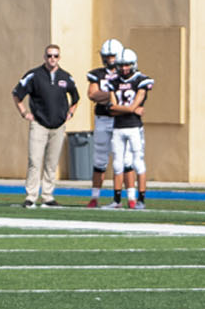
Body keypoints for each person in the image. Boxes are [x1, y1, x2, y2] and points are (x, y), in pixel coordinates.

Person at [13, 44, 78, 208]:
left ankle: (48, 196)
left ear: (59, 58)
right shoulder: (34, 75)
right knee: (34, 161)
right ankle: (31, 196)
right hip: (39, 124)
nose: (52, 59)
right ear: (44, 57)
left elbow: (75, 98)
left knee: (52, 162)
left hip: (58, 125)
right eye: (49, 56)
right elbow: (17, 93)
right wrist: (24, 113)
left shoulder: (66, 77)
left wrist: (70, 113)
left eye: (55, 56)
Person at [107, 49, 152, 209]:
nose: (124, 68)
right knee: (118, 164)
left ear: (134, 64)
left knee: (138, 163)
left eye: (127, 65)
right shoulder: (113, 81)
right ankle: (117, 200)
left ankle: (141, 200)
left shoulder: (141, 80)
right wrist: (132, 109)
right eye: (121, 65)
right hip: (118, 127)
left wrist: (125, 108)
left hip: (134, 127)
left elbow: (119, 106)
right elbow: (112, 108)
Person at [85, 40, 122, 206]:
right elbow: (92, 95)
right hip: (102, 119)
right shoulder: (97, 74)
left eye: (112, 56)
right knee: (99, 160)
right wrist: (114, 94)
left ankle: (119, 198)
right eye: (106, 56)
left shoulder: (127, 73)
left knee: (121, 161)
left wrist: (105, 94)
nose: (108, 59)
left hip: (120, 120)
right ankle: (94, 197)